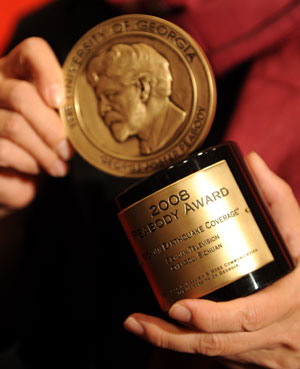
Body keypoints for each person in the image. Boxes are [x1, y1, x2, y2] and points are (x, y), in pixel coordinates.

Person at [0, 0, 300, 368]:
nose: (102, 109)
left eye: (109, 97)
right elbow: (35, 288)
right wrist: (7, 216)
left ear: (143, 88)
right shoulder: (49, 35)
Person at [87, 42, 186, 155]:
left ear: (143, 89)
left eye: (111, 95)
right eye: (100, 100)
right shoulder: (148, 144)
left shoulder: (175, 126)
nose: (102, 109)